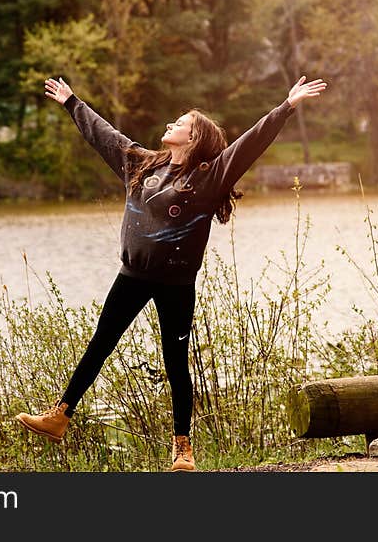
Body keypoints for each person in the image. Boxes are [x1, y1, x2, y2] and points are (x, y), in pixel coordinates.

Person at [16, 74, 327, 471]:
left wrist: (286, 107)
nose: (169, 126)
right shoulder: (141, 165)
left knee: (176, 362)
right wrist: (72, 102)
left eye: (179, 124)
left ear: (193, 138)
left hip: (176, 284)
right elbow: (105, 135)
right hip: (132, 277)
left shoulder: (209, 177)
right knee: (100, 343)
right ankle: (59, 417)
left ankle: (183, 450)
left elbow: (250, 143)